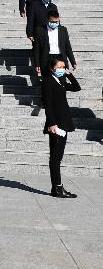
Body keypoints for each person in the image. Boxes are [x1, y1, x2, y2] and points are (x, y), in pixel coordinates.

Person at [41, 56, 81, 198]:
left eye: (63, 67)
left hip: (64, 123)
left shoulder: (60, 81)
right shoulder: (48, 81)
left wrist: (69, 74)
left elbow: (77, 88)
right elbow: (47, 103)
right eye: (59, 67)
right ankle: (57, 187)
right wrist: (52, 123)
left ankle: (57, 187)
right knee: (55, 158)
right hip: (56, 125)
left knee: (58, 157)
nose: (62, 69)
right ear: (52, 68)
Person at [34, 7, 76, 83]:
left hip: (60, 58)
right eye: (52, 22)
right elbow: (36, 49)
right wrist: (37, 64)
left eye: (57, 22)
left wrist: (73, 62)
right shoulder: (39, 30)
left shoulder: (63, 30)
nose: (55, 24)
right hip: (47, 58)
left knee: (62, 81)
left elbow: (68, 47)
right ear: (47, 20)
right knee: (48, 81)